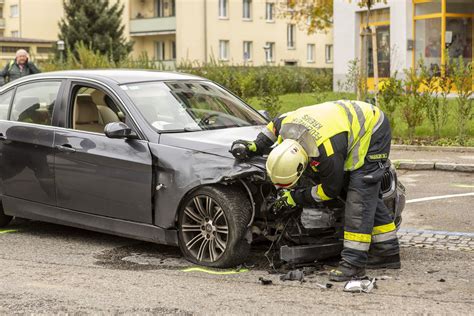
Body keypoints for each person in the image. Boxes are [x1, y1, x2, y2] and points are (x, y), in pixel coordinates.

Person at [231, 100, 400, 282]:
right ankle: (387, 252)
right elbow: (273, 125)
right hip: (339, 124)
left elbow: (330, 191)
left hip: (372, 128)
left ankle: (353, 265)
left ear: (301, 166)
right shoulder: (286, 126)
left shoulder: (327, 153)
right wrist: (256, 146)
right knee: (365, 194)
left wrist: (296, 197)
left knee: (359, 197)